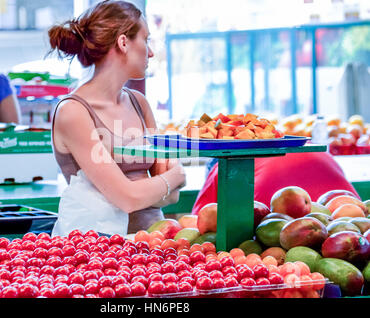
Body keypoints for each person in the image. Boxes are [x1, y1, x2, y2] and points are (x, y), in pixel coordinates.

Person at [48, 0, 186, 236]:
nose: (151, 52)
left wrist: (154, 189)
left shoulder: (139, 103)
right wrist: (176, 175)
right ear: (123, 42)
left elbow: (173, 196)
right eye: (146, 39)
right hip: (98, 253)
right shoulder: (73, 112)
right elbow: (128, 199)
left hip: (152, 245)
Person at [192, 152, 360, 214]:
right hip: (349, 222)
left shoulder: (222, 166)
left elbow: (197, 223)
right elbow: (359, 209)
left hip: (274, 232)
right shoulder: (313, 149)